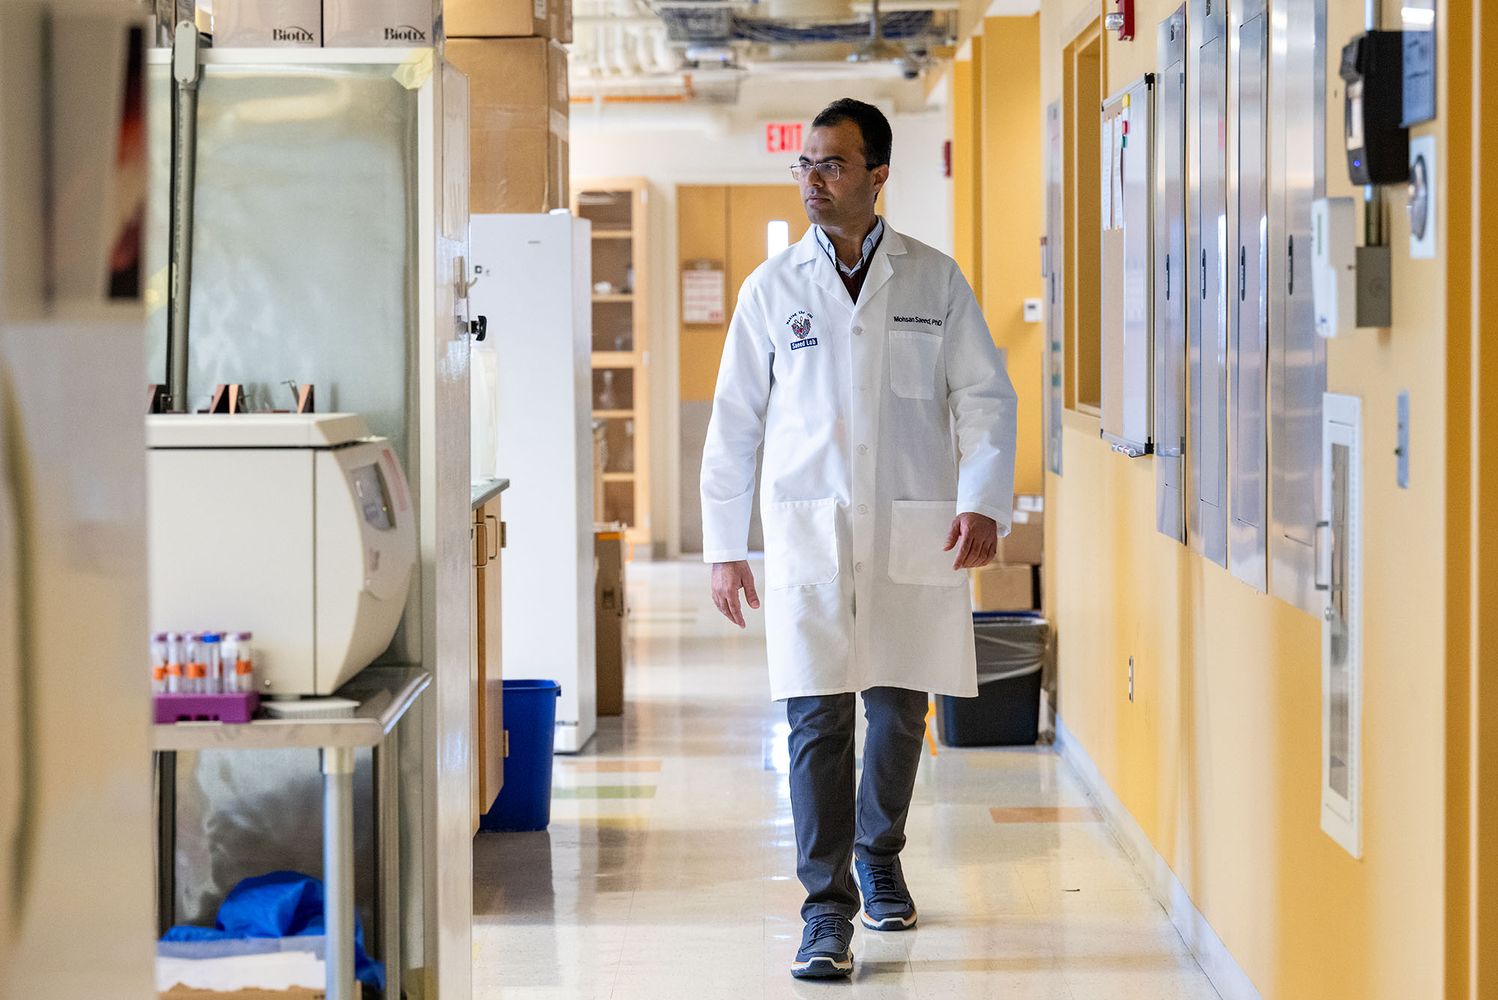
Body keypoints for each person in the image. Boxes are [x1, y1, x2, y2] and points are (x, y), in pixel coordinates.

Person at [699, 98, 1019, 979]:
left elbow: (985, 398)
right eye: (805, 163)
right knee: (816, 715)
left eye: (832, 164)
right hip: (809, 533)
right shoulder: (772, 290)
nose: (812, 179)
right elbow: (734, 425)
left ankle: (880, 851)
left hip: (911, 523)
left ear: (878, 176)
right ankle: (825, 910)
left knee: (897, 710)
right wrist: (725, 544)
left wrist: (984, 498)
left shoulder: (933, 280)